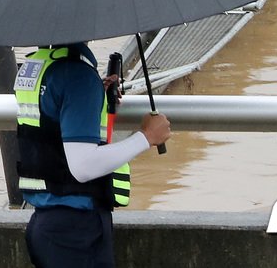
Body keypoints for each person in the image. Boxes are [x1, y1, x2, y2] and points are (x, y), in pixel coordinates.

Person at [17, 42, 172, 267]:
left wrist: (96, 94)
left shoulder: (36, 66)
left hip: (45, 222)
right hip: (77, 231)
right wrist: (146, 137)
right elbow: (83, 166)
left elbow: (51, 124)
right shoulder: (78, 76)